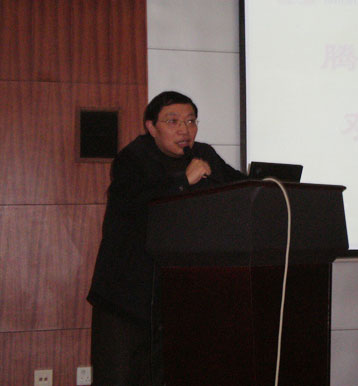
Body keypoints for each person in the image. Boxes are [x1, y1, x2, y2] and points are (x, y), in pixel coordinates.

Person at [87, 91, 246, 385]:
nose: (185, 129)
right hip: (126, 297)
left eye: (191, 121)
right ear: (151, 127)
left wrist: (267, 183)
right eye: (173, 121)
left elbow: (238, 185)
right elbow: (136, 203)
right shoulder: (132, 158)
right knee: (118, 378)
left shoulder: (203, 154)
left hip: (178, 297)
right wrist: (183, 180)